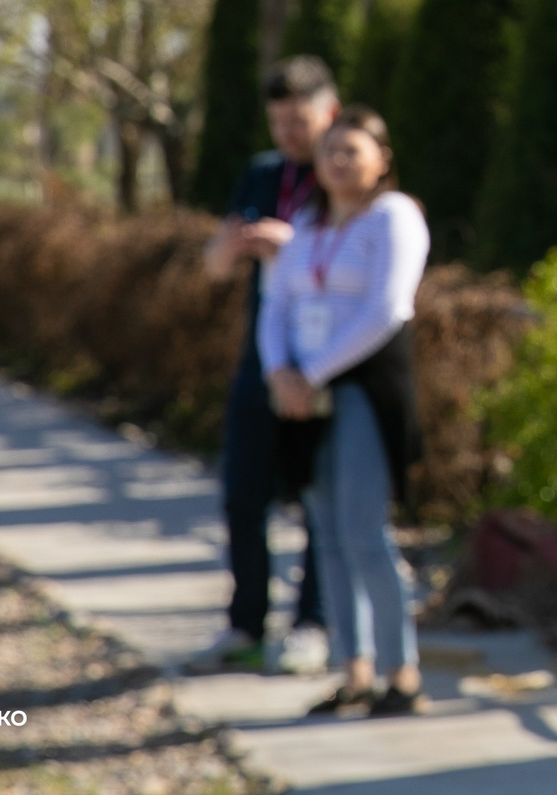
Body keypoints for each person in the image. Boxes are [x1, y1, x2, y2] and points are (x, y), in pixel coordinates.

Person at [258, 105, 429, 718]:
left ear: (382, 159)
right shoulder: (305, 224)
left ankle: (400, 673)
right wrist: (278, 371)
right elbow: (274, 304)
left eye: (352, 150)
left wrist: (312, 372)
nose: (338, 161)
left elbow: (387, 308)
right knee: (325, 533)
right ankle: (352, 670)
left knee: (364, 531)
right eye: (330, 151)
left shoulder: (393, 218)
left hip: (362, 389)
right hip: (303, 398)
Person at [189, 55, 335, 676]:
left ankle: (313, 623)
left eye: (299, 121)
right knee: (242, 496)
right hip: (260, 360)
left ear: (330, 110)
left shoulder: (345, 176)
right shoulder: (260, 174)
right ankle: (245, 624)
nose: (289, 136)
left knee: (315, 499)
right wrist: (228, 250)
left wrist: (290, 248)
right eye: (278, 123)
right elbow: (215, 266)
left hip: (325, 361)